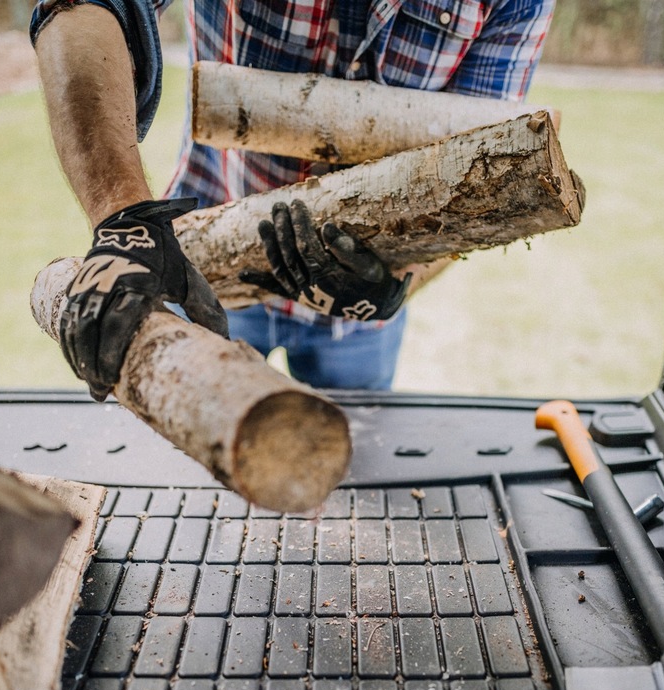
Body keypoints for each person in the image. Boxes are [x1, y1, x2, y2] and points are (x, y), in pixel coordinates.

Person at [30, 0, 555, 399]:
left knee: (352, 473)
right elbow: (83, 5)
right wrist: (125, 218)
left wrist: (398, 281)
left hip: (356, 316)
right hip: (199, 267)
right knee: (191, 460)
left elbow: (479, 168)